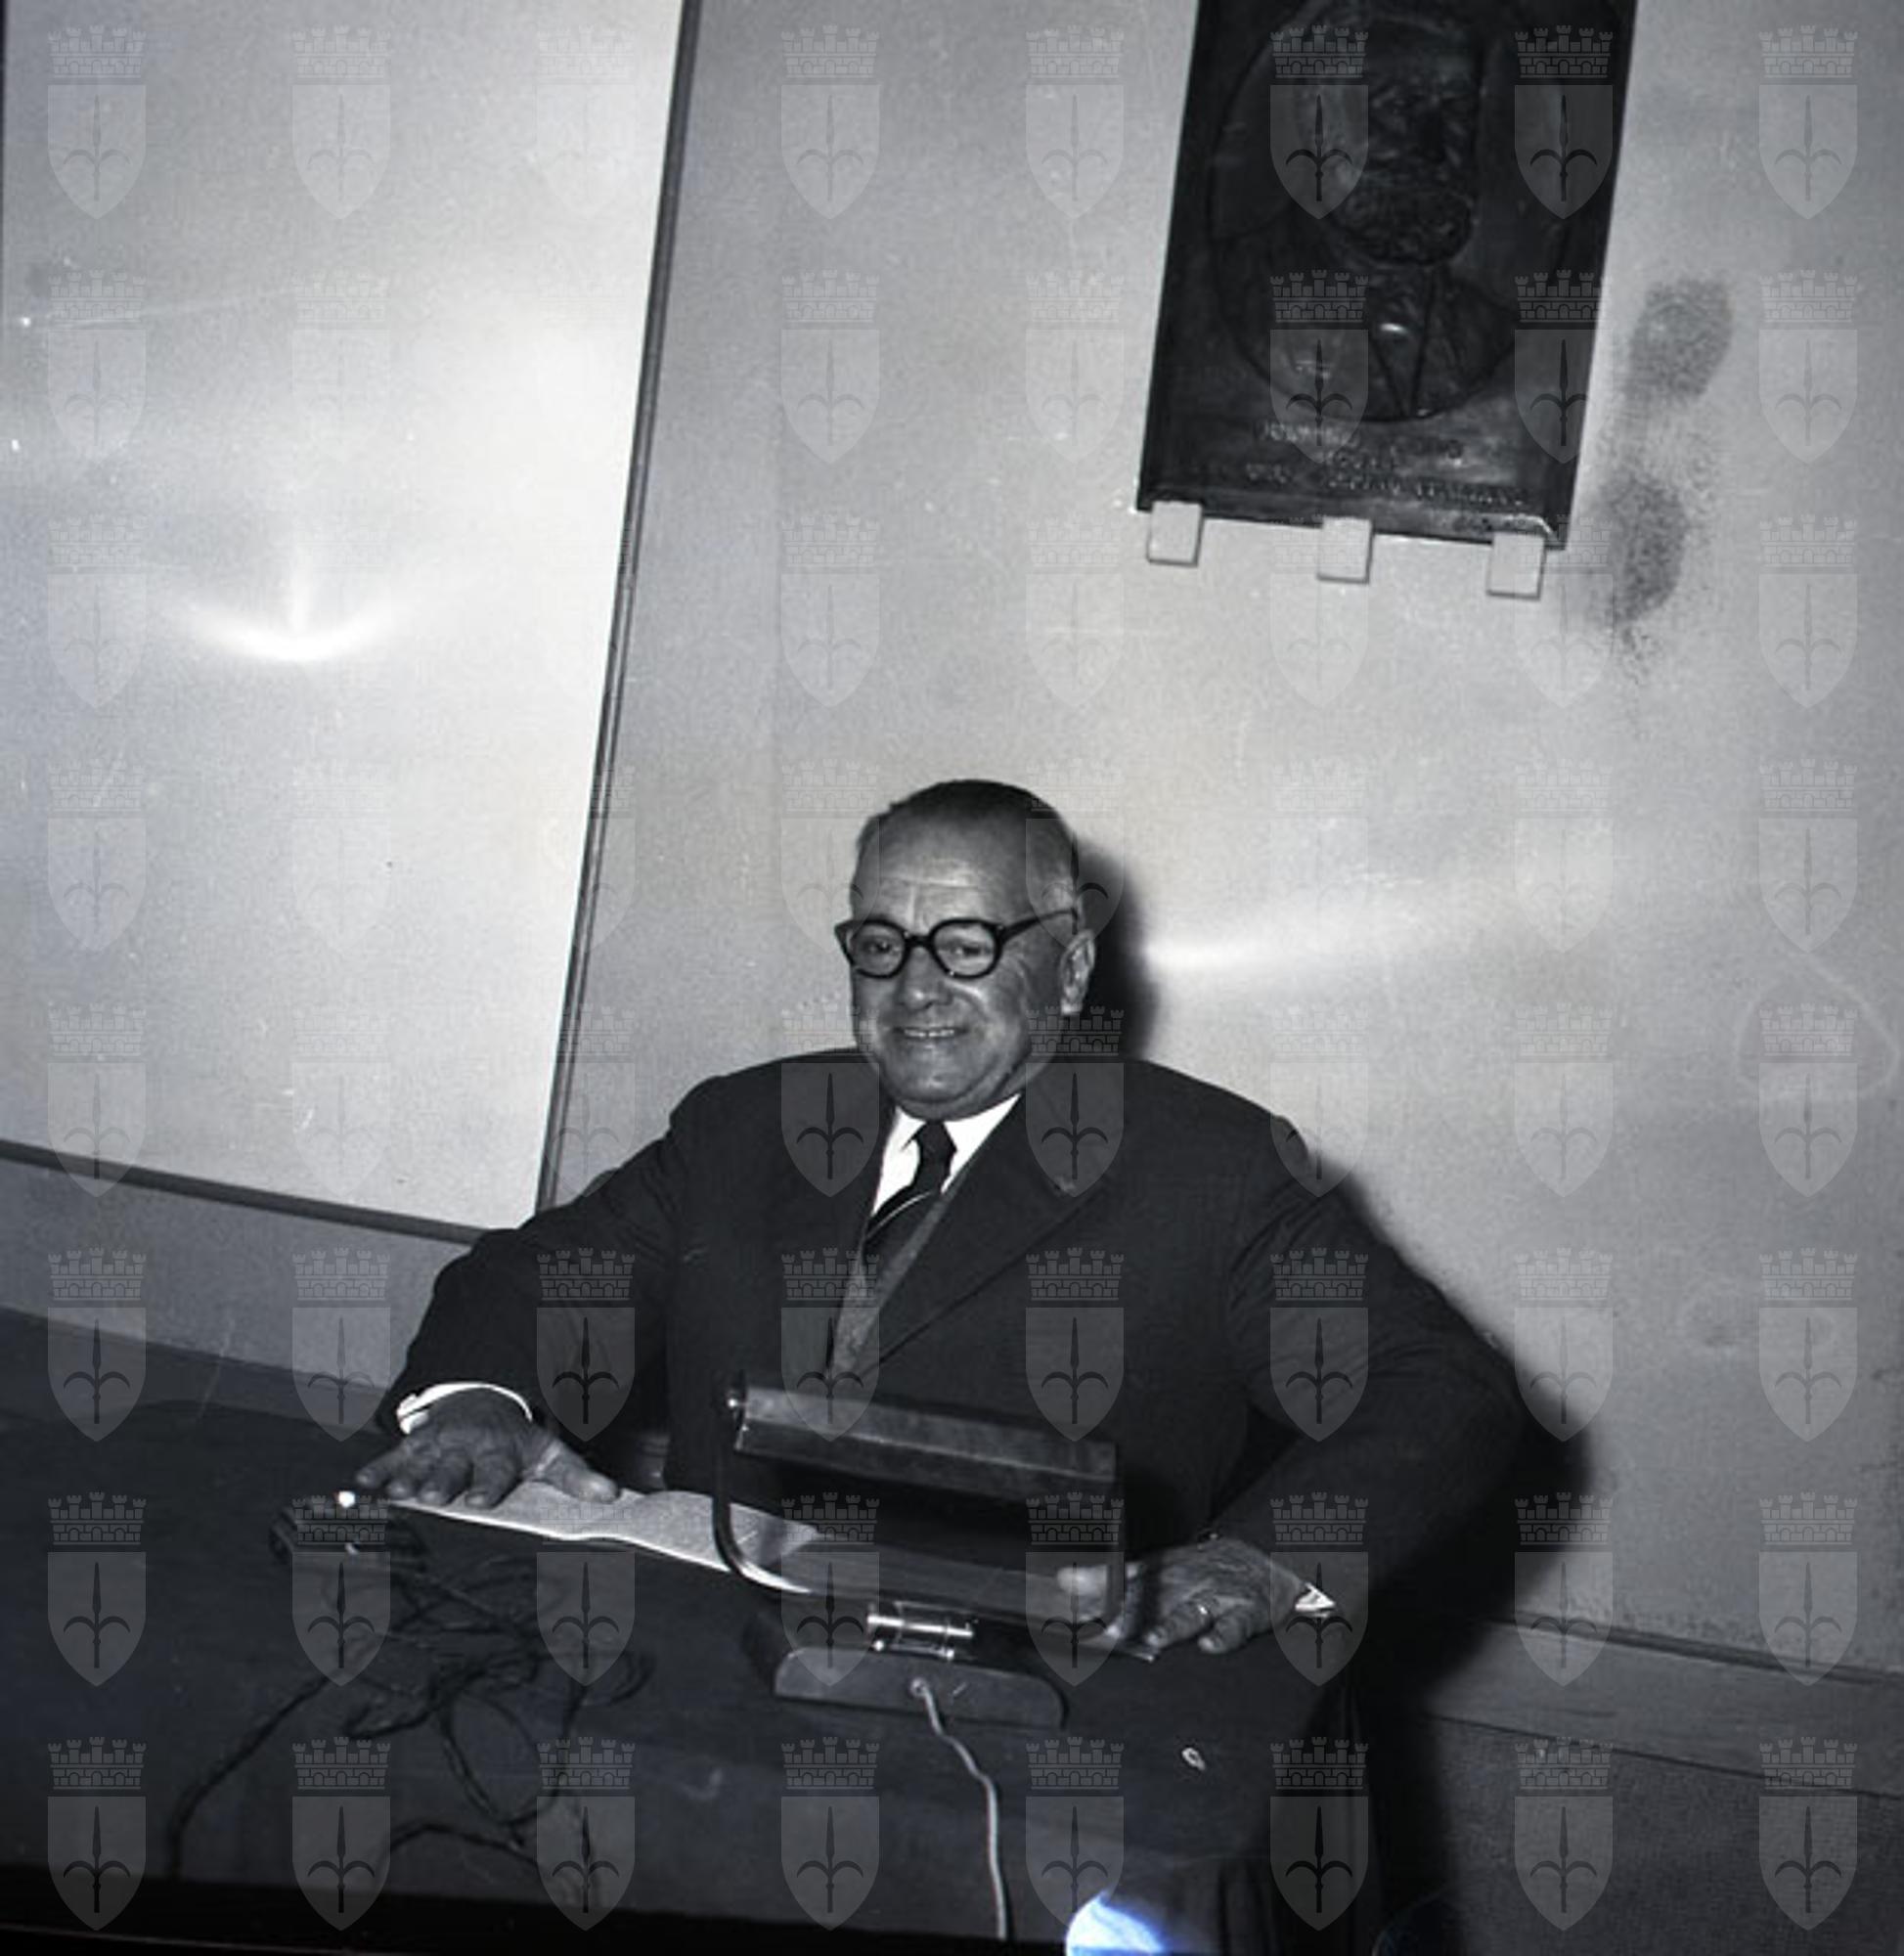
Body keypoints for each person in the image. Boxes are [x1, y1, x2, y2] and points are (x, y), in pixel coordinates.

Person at [360, 779, 1523, 1656]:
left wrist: (1260, 1561)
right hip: (708, 1656)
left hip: (1038, 1686)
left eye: (966, 946)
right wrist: (475, 1401)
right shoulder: (748, 1122)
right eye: (881, 944)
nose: (915, 987)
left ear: (1070, 970)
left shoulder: (1213, 1169)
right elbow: (541, 1276)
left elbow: (1440, 1387)